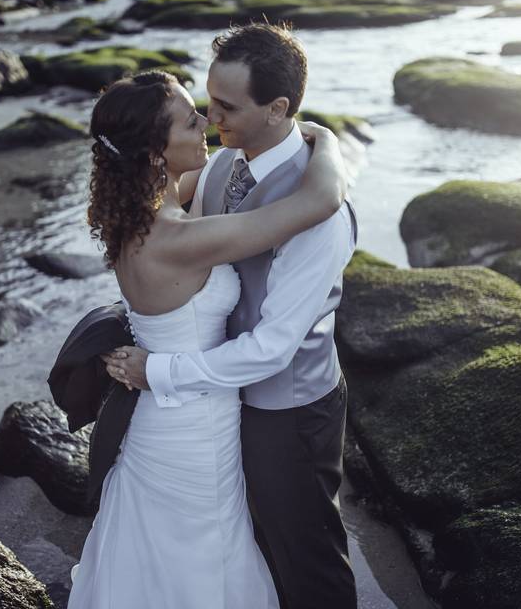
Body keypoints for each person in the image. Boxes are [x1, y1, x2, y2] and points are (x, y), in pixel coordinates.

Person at [66, 64, 351, 609]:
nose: (206, 121)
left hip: (165, 417)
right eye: (189, 119)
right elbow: (318, 202)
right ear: (154, 152)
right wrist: (330, 140)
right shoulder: (176, 237)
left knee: (164, 554)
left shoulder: (142, 208)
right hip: (190, 427)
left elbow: (230, 167)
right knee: (201, 556)